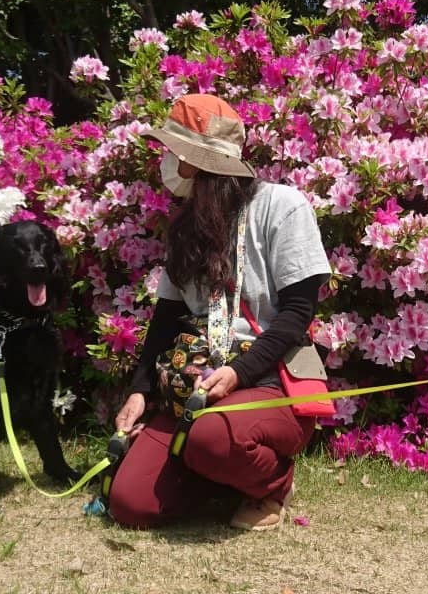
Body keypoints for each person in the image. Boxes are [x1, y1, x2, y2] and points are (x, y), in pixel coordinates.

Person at [108, 93, 332, 531]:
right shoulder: (188, 226)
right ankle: (217, 473)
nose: (167, 164)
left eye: (175, 154)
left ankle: (272, 484)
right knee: (130, 503)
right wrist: (141, 391)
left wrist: (241, 372)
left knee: (212, 436)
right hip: (195, 381)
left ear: (200, 163)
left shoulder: (282, 206)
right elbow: (167, 318)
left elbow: (297, 313)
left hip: (269, 380)